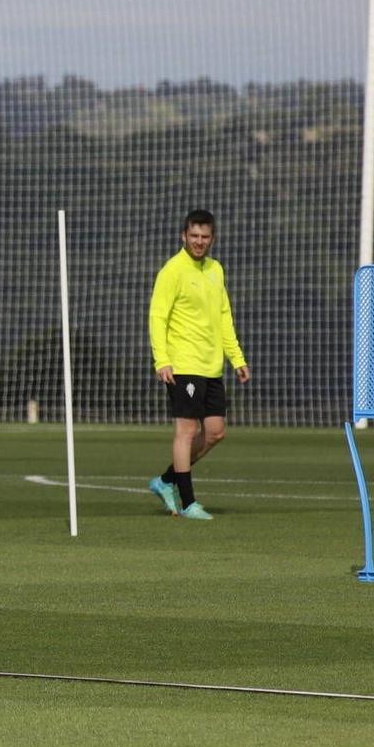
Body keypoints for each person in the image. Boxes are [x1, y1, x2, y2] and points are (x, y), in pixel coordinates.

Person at [147, 208, 249, 521]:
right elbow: (157, 315)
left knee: (216, 432)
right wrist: (162, 358)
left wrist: (237, 357)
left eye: (205, 237)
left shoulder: (216, 270)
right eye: (194, 236)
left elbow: (223, 317)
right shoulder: (173, 270)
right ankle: (188, 501)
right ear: (184, 236)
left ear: (212, 238)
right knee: (187, 430)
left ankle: (166, 481)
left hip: (212, 365)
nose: (199, 242)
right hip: (183, 364)